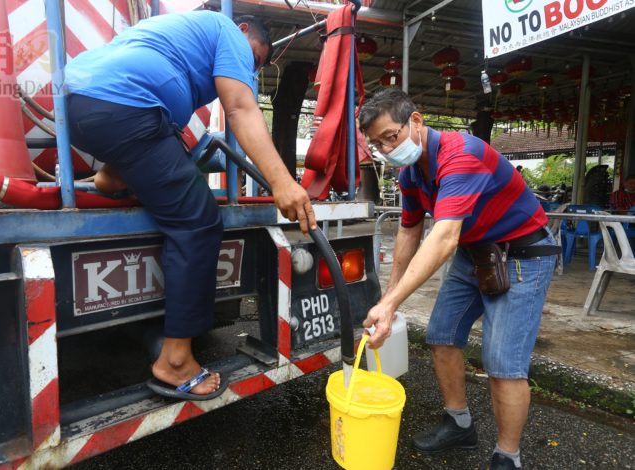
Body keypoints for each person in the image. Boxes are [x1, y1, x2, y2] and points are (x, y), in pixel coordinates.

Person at [64, 11, 316, 400]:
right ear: (244, 31)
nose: (250, 69)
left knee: (163, 166)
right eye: (254, 59)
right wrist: (283, 181)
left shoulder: (174, 37)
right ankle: (176, 361)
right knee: (198, 221)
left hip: (84, 104)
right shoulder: (227, 30)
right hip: (129, 106)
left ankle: (113, 176)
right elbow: (241, 108)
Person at [359, 89, 559, 470]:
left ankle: (507, 457)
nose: (387, 148)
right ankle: (459, 423)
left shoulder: (463, 154)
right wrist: (389, 300)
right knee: (441, 336)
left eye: (391, 136)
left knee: (502, 364)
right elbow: (409, 232)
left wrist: (389, 305)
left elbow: (444, 238)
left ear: (416, 121)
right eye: (377, 144)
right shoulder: (411, 174)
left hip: (522, 255)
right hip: (476, 252)